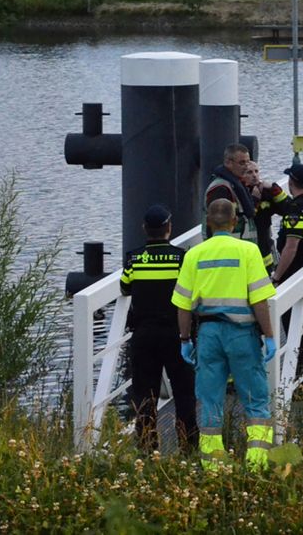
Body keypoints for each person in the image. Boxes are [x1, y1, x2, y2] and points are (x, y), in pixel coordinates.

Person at [172, 199, 278, 470]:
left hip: (208, 333)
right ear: (235, 222)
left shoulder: (194, 254)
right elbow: (259, 301)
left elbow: (183, 305)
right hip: (242, 333)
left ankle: (212, 469)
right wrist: (269, 335)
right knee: (255, 402)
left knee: (209, 401)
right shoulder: (248, 251)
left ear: (208, 222)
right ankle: (256, 464)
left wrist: (184, 339)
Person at [120, 205, 198, 455]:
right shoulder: (181, 257)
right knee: (184, 392)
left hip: (144, 334)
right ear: (169, 228)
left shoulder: (133, 257)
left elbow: (125, 287)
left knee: (145, 394)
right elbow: (190, 289)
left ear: (144, 229)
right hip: (177, 333)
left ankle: (147, 449)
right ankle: (188, 448)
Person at [204, 143, 257, 243]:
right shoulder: (221, 188)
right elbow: (216, 224)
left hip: (238, 247)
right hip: (226, 249)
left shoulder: (236, 185)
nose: (246, 167)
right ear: (228, 162)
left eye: (248, 162)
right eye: (242, 163)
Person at [242, 160, 289, 272]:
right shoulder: (241, 194)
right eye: (249, 172)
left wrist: (274, 189)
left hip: (265, 249)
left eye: (256, 171)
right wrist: (254, 199)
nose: (254, 175)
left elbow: (288, 209)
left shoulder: (265, 192)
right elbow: (246, 217)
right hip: (246, 247)